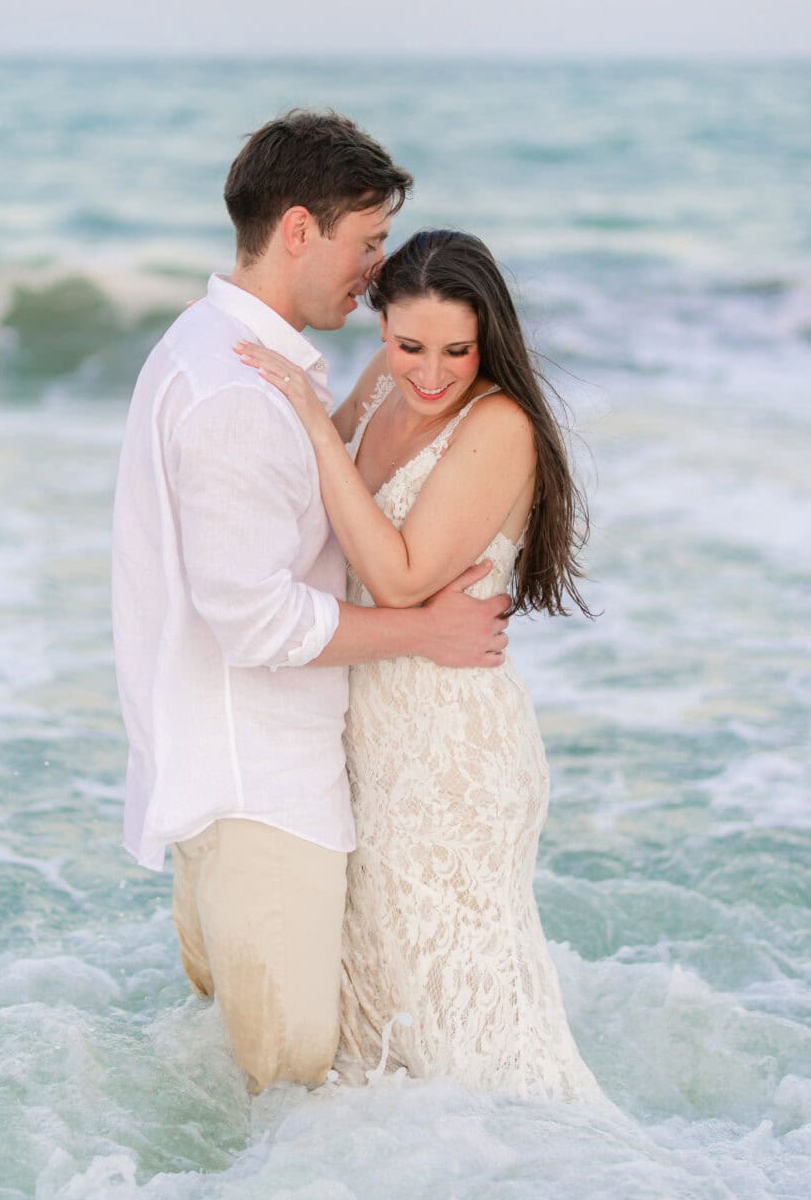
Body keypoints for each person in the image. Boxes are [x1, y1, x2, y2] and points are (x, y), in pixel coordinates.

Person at [112, 115, 511, 1095]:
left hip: (217, 779)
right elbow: (255, 622)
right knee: (294, 1093)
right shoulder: (239, 396)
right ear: (299, 228)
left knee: (249, 1093)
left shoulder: (204, 347)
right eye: (366, 242)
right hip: (264, 799)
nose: (376, 270)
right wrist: (427, 629)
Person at [235, 228, 606, 1104]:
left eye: (457, 351)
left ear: (489, 343)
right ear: (379, 326)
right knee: (384, 975)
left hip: (452, 748)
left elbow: (400, 576)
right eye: (409, 347)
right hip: (368, 725)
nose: (431, 374)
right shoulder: (375, 394)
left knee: (465, 996)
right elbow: (307, 507)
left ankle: (544, 1178)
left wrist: (313, 427)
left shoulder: (500, 424)